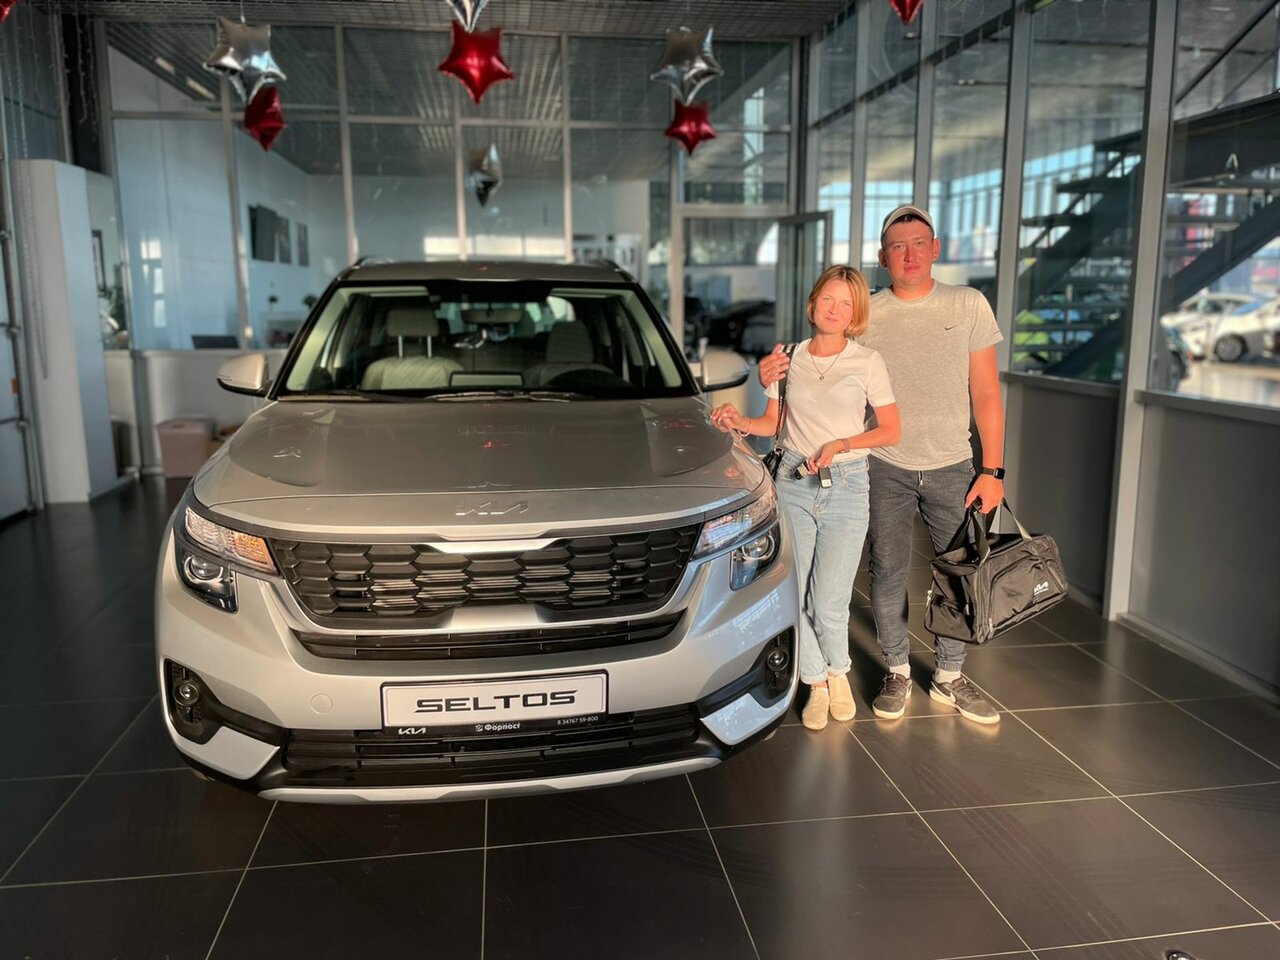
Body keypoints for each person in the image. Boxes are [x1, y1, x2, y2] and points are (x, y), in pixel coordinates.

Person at [759, 205, 1006, 725]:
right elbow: (824, 374)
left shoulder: (968, 304)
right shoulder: (866, 314)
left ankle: (949, 675)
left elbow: (986, 392)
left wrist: (993, 470)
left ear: (935, 249)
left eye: (918, 244)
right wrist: (772, 379)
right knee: (887, 571)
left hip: (953, 463)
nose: (909, 254)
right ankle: (896, 668)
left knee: (958, 571)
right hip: (882, 466)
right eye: (898, 246)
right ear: (883, 257)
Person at [711, 266, 901, 731]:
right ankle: (817, 682)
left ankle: (839, 672)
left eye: (846, 304)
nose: (835, 310)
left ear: (855, 314)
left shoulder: (867, 361)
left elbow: (891, 430)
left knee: (829, 601)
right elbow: (771, 425)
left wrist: (842, 444)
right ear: (813, 303)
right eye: (828, 299)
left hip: (848, 484)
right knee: (795, 593)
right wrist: (739, 419)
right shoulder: (787, 358)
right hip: (794, 481)